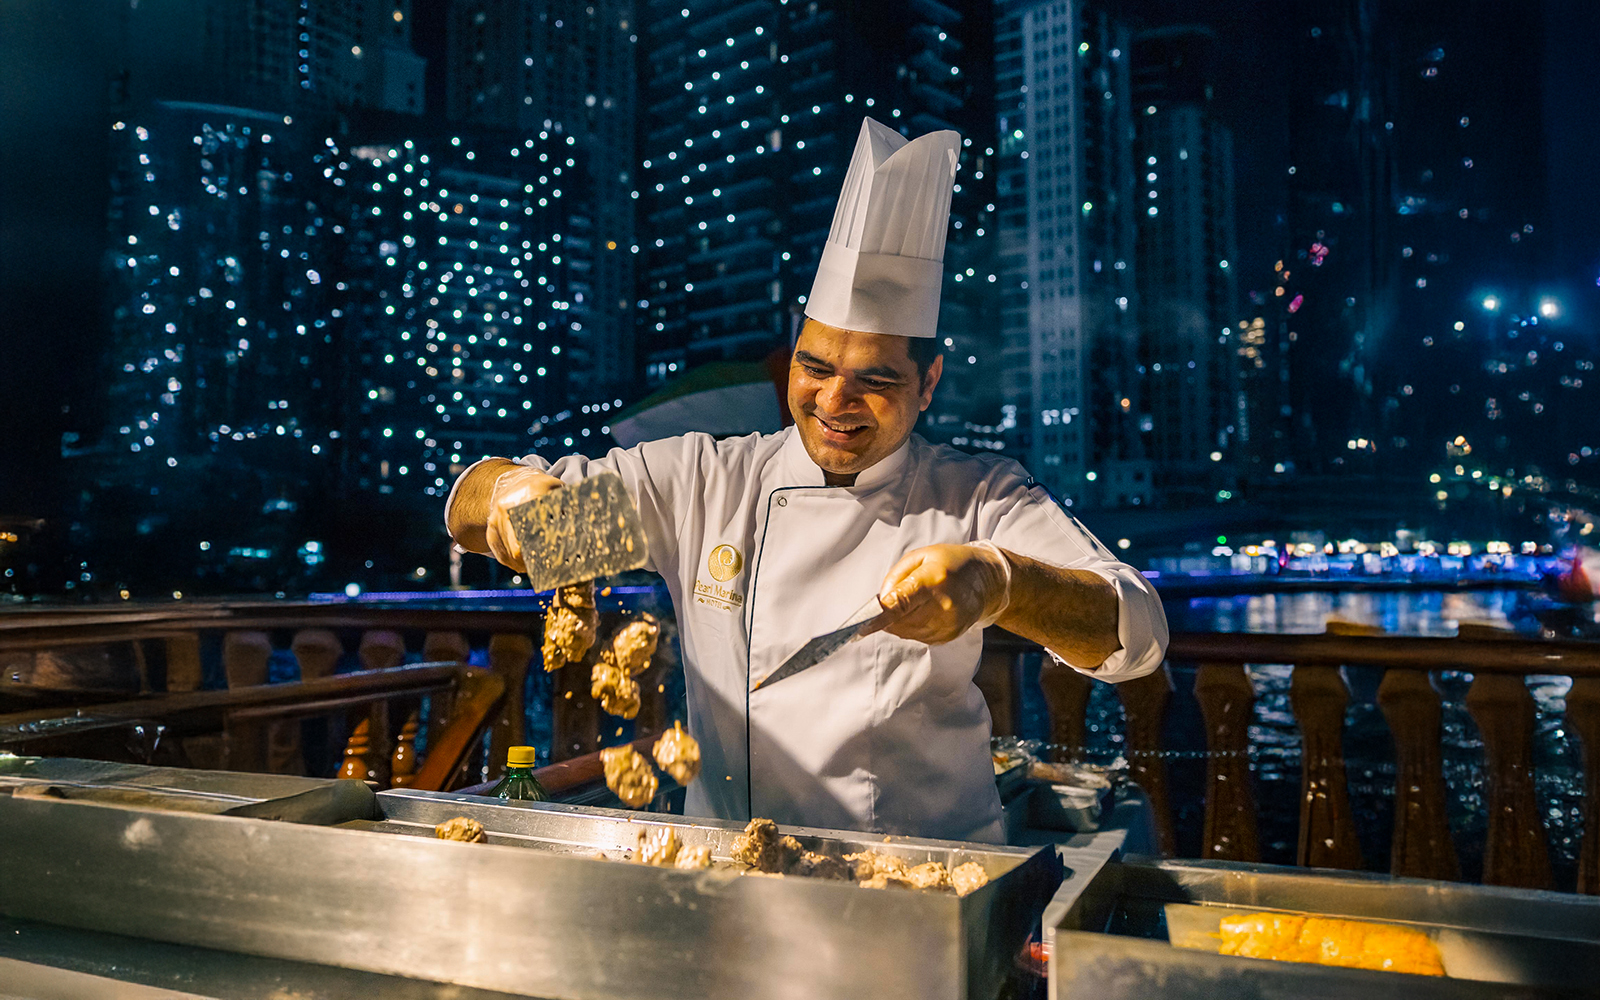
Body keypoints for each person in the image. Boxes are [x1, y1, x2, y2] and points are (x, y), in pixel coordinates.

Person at [445, 118, 1168, 843]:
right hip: (736, 877)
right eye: (814, 369)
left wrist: (1001, 582)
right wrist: (513, 498)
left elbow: (1134, 635)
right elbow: (472, 512)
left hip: (920, 885)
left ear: (928, 384)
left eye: (874, 381)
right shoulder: (706, 482)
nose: (832, 402)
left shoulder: (976, 496)